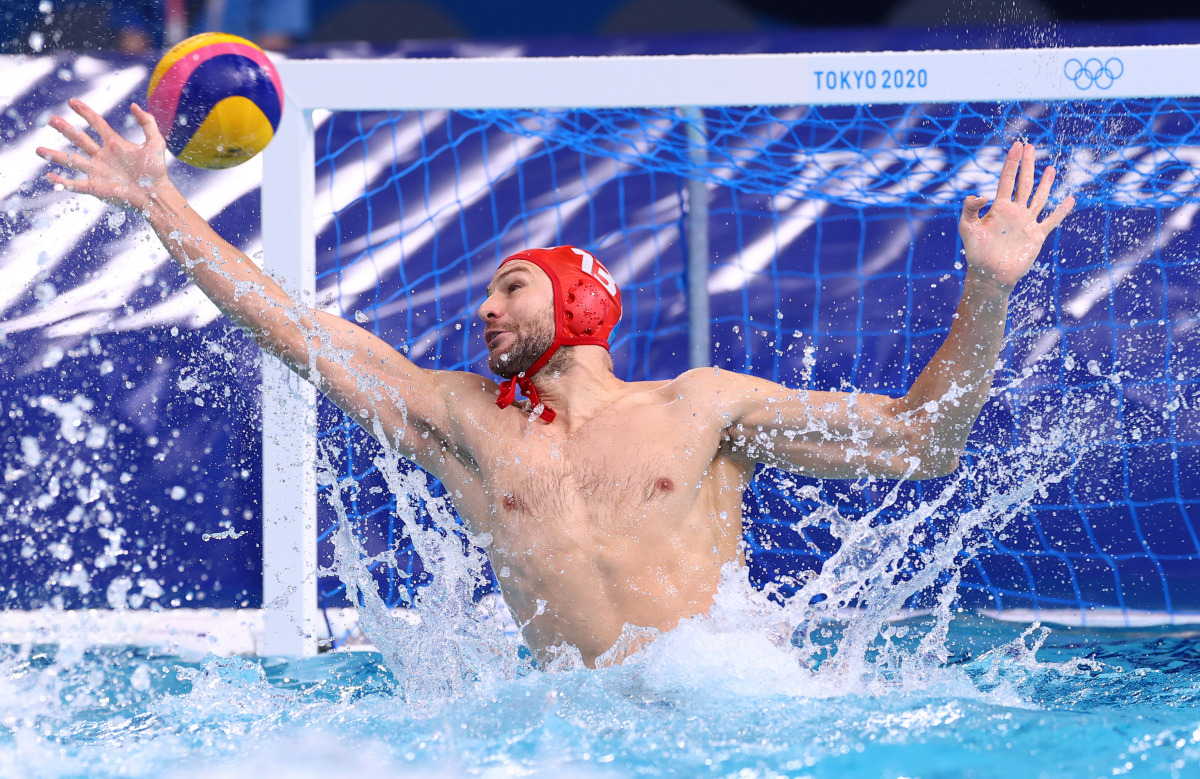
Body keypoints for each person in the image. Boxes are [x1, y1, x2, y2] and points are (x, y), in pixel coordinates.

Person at [38, 100, 1074, 668]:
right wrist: (160, 208)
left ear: (583, 301)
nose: (483, 309)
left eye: (511, 287)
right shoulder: (462, 421)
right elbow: (292, 326)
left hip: (740, 719)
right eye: (484, 294)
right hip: (567, 739)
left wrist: (986, 290)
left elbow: (916, 441)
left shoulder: (698, 406)